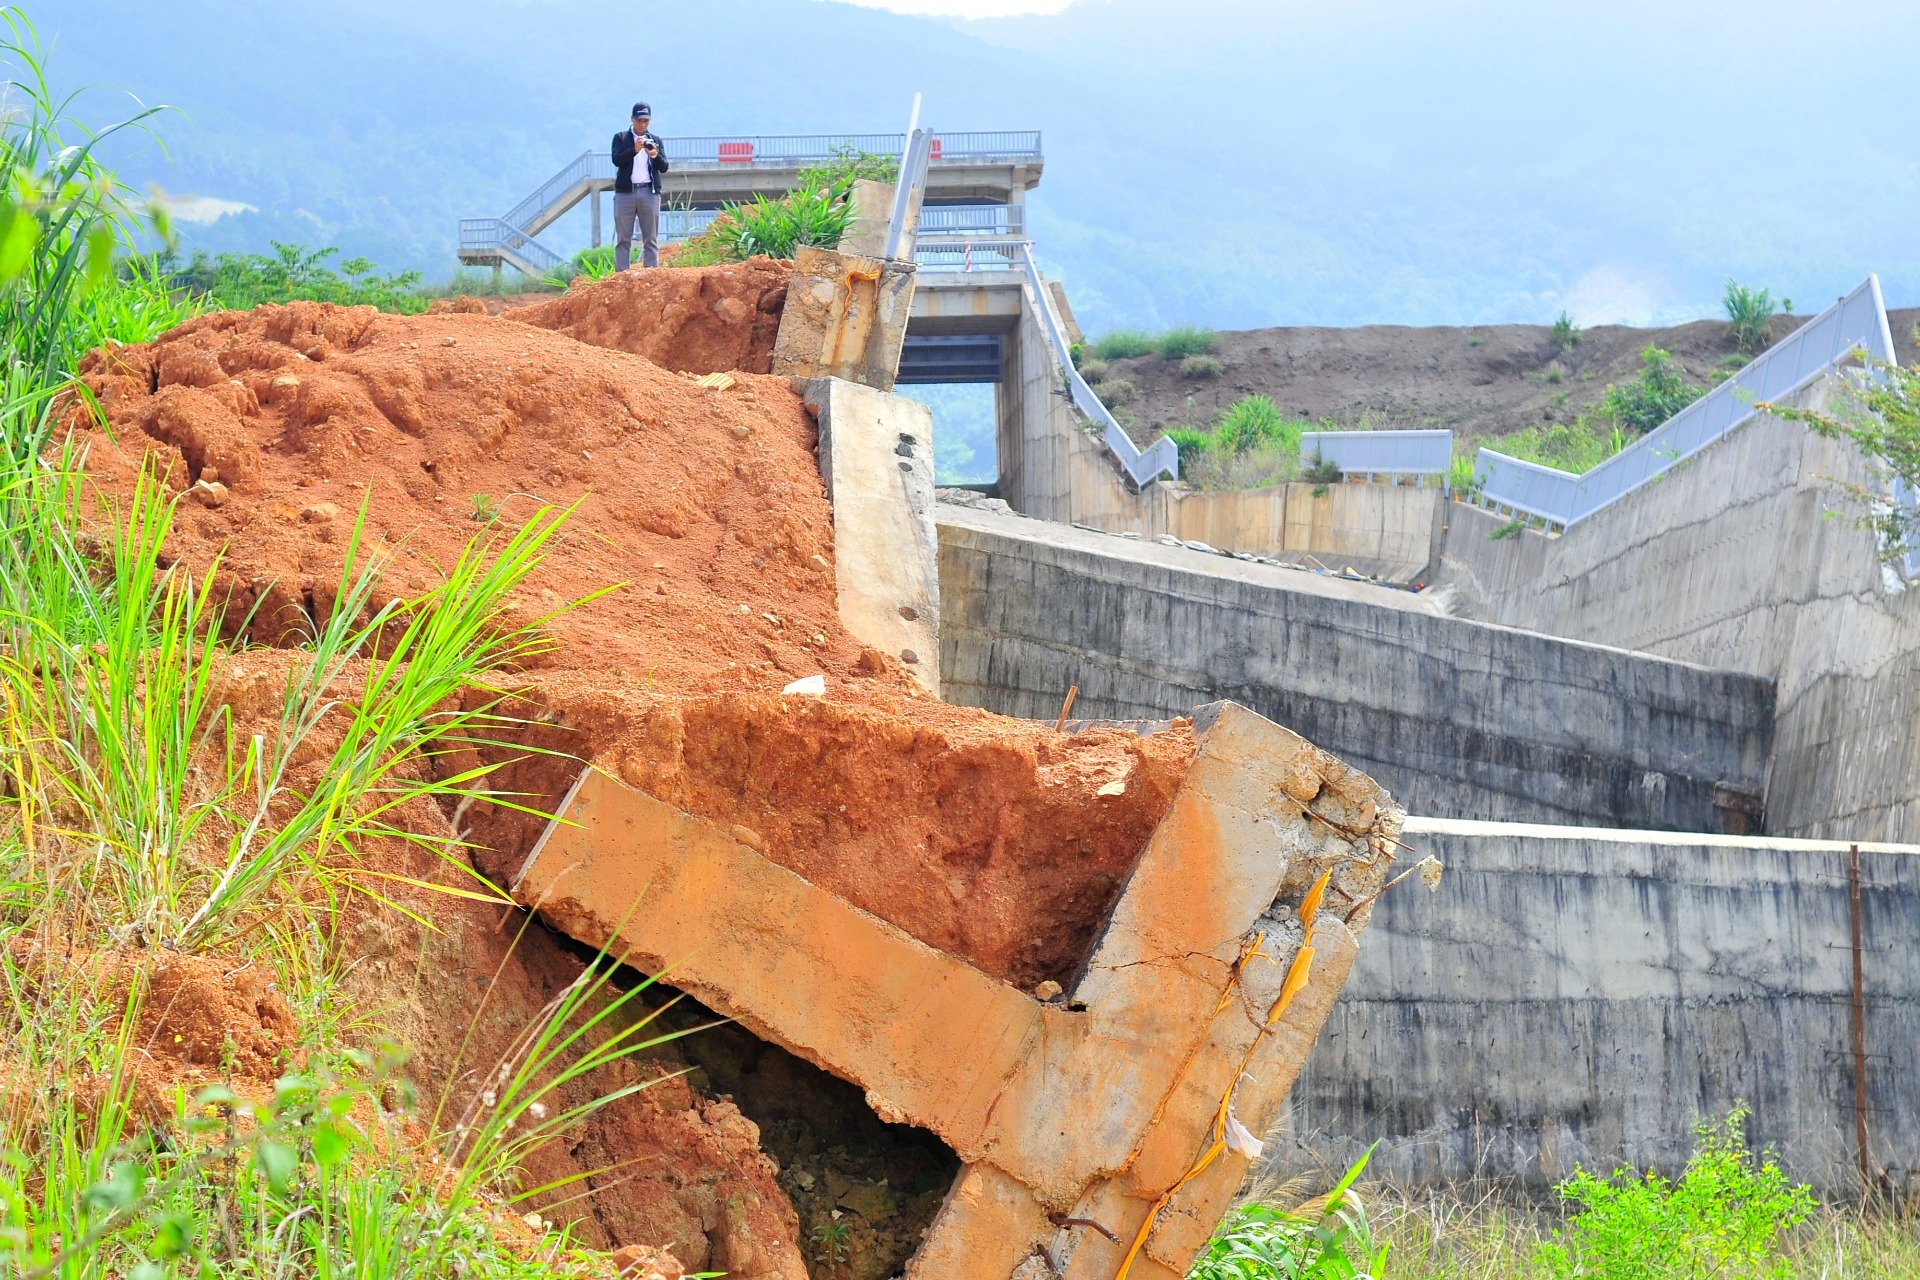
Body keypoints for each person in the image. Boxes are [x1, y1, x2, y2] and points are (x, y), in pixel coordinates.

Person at [612, 102, 669, 270]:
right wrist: (634, 150)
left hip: (649, 192)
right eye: (639, 120)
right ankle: (622, 275)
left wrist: (655, 155)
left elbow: (664, 167)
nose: (642, 124)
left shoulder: (655, 140)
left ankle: (651, 273)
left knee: (650, 237)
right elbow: (617, 160)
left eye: (646, 121)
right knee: (623, 237)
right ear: (632, 119)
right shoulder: (621, 138)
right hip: (625, 193)